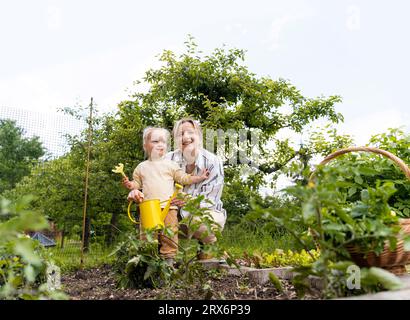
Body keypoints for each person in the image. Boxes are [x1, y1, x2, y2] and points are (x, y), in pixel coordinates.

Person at [122, 127, 209, 265]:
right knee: (147, 235)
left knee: (170, 234)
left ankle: (169, 261)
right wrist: (130, 185)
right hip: (149, 208)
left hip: (169, 207)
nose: (160, 144)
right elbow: (136, 184)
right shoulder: (141, 167)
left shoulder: (171, 165)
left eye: (163, 141)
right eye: (155, 141)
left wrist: (198, 177)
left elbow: (184, 178)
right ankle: (147, 260)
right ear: (145, 145)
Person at [166, 117, 227, 260]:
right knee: (154, 218)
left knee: (203, 225)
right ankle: (164, 257)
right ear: (175, 139)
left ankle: (209, 247)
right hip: (173, 213)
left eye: (190, 132)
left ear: (198, 135)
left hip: (203, 213)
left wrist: (187, 201)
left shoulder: (212, 161)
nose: (185, 137)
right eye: (180, 134)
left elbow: (210, 200)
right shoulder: (167, 160)